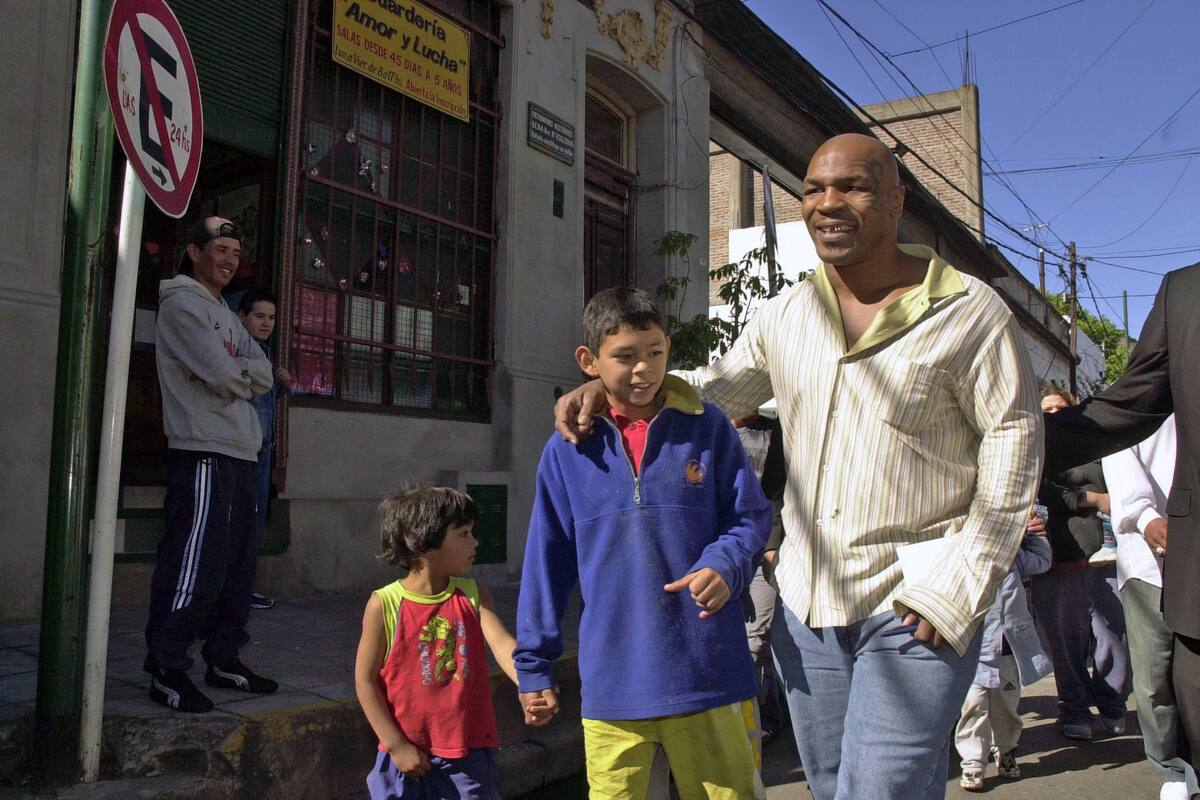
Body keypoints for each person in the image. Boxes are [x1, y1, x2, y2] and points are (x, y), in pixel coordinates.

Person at [553, 133, 1042, 800]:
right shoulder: (787, 314)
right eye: (814, 189)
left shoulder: (970, 312)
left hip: (917, 600)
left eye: (853, 187)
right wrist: (610, 390)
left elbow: (1014, 446)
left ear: (896, 200)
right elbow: (714, 393)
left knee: (874, 791)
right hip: (808, 607)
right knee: (841, 784)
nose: (827, 203)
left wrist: (959, 585)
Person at [515, 287, 772, 799]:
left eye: (655, 352)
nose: (643, 369)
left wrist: (726, 564)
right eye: (625, 356)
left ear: (668, 348)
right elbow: (546, 562)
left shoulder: (709, 428)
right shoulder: (567, 450)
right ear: (589, 361)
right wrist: (533, 666)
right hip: (614, 687)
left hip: (708, 674)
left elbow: (749, 517)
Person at [1044, 262, 1200, 798]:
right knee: (1156, 675)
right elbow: (1125, 416)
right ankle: (1172, 769)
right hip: (1166, 563)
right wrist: (1004, 440)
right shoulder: (1185, 292)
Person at [144, 217, 277, 712]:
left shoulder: (223, 310)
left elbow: (261, 368)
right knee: (194, 561)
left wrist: (238, 371)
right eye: (220, 249)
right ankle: (166, 667)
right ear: (195, 252)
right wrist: (238, 372)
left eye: (236, 253)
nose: (229, 260)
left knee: (238, 566)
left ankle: (223, 658)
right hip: (202, 448)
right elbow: (226, 375)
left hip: (241, 450)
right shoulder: (182, 304)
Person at [354, 484, 542, 800]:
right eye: (464, 534)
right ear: (426, 541)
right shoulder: (384, 604)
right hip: (404, 755)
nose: (475, 541)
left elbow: (502, 645)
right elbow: (365, 680)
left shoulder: (473, 594)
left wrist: (532, 683)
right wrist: (396, 745)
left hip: (467, 755)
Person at [1101, 416, 1198, 800]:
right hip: (1149, 561)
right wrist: (1146, 517)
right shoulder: (1139, 404)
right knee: (1155, 673)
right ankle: (1170, 767)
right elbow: (1120, 457)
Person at [1033, 387, 1130, 742]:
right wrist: (1092, 499)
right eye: (1046, 410)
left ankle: (1112, 702)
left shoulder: (1096, 446)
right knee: (1066, 642)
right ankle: (1074, 709)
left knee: (1114, 636)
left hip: (1105, 556)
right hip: (1058, 559)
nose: (1054, 415)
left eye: (1061, 408)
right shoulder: (1033, 449)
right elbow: (1040, 492)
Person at [955, 510, 1052, 791]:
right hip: (972, 644)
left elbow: (1043, 561)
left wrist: (1035, 533)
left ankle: (1006, 749)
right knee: (973, 704)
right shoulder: (962, 558)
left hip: (1008, 645)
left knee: (1007, 704)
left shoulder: (1015, 557)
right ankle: (973, 760)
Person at [733, 413, 788, 745]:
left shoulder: (775, 432)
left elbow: (780, 492)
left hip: (764, 548)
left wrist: (772, 547)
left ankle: (756, 722)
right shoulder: (713, 430)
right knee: (743, 641)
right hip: (727, 551)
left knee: (756, 639)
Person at [236, 289, 291, 610]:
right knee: (239, 520)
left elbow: (263, 402)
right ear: (242, 317)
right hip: (242, 449)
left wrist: (279, 383)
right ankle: (232, 591)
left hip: (261, 449)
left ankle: (242, 589)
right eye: (259, 316)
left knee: (253, 521)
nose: (267, 323)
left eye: (271, 317)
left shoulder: (263, 353)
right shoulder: (237, 350)